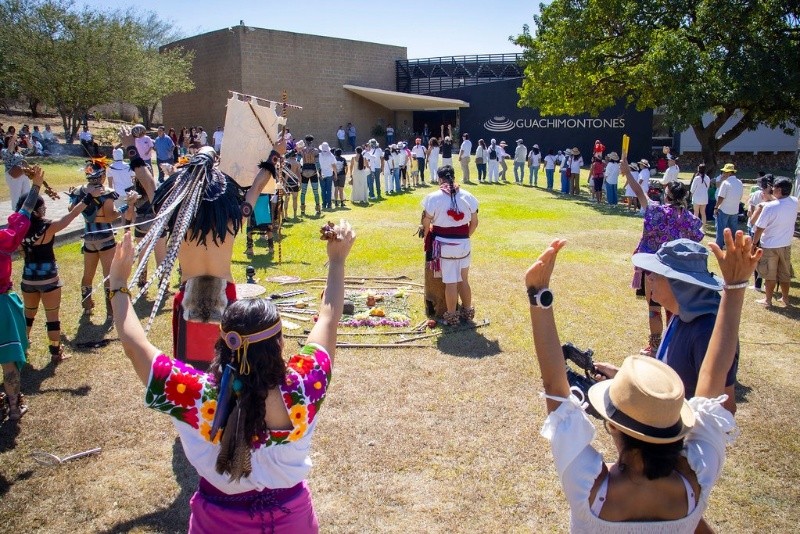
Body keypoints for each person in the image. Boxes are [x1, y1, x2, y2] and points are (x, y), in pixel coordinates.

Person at [109, 220, 355, 533]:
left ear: (222, 341)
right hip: (294, 522)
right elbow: (330, 319)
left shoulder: (194, 393)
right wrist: (336, 260)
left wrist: (117, 283)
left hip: (218, 523)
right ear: (279, 344)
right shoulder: (305, 386)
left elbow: (135, 345)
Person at [527, 228, 758, 532]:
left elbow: (554, 388)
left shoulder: (588, 491)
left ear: (611, 425)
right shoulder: (697, 480)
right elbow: (713, 380)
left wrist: (539, 294)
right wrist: (736, 286)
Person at [632, 239, 739, 414]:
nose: (650, 277)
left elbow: (724, 409)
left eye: (658, 273)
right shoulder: (682, 313)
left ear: (679, 284)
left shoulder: (706, 332)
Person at [622, 158, 704, 356]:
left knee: (654, 308)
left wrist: (627, 172)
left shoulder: (655, 212)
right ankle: (674, 344)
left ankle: (656, 346)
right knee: (674, 309)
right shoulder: (691, 220)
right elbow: (696, 241)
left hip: (654, 269)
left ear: (666, 196)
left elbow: (639, 192)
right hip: (679, 271)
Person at [18, 180, 103, 363]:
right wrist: (89, 197)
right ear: (35, 210)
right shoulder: (48, 227)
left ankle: (22, 350)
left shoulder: (19, 231)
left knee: (28, 316)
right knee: (52, 317)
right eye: (42, 206)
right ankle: (56, 353)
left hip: (28, 279)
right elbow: (71, 216)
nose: (45, 209)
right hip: (49, 280)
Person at [1, 168, 45, 421]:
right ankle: (14, 406)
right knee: (8, 361)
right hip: (1, 305)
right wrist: (36, 186)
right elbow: (23, 216)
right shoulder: (2, 240)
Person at [421, 165, 479, 326]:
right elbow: (474, 222)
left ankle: (452, 316)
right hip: (463, 243)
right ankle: (467, 312)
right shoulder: (468, 196)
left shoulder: (433, 197)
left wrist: (426, 236)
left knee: (451, 282)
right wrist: (465, 236)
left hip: (443, 244)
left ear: (440, 179)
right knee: (464, 280)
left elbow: (426, 223)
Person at [68, 160, 124, 319]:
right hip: (105, 237)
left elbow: (71, 209)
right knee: (108, 275)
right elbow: (109, 216)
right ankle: (111, 311)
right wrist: (125, 208)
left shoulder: (79, 191)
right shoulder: (106, 192)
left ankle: (87, 307)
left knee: (88, 274)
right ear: (102, 175)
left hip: (88, 238)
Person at [752, 177, 798, 307]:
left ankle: (768, 300)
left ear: (778, 189)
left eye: (773, 188)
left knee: (769, 274)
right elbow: (782, 204)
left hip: (770, 244)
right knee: (785, 273)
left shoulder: (770, 207)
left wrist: (754, 244)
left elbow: (759, 228)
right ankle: (785, 299)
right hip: (786, 243)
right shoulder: (794, 202)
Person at [746, 175, 774, 291]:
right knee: (769, 260)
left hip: (758, 231)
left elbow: (752, 218)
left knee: (757, 257)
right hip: (771, 233)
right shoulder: (778, 200)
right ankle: (764, 284)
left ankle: (758, 284)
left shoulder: (759, 197)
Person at [713, 163, 744, 250]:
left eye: (725, 172)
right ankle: (735, 246)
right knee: (733, 229)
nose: (723, 174)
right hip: (734, 209)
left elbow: (721, 197)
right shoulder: (739, 182)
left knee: (720, 229)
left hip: (724, 209)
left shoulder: (725, 183)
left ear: (729, 173)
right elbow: (740, 196)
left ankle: (718, 246)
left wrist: (716, 207)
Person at [3, 126, 32, 210]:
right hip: (13, 175)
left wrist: (27, 141)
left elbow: (30, 149)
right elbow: (9, 153)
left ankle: (25, 211)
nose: (13, 142)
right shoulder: (4, 151)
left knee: (26, 193)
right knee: (16, 194)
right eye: (10, 141)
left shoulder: (19, 151)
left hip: (23, 173)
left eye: (14, 140)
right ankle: (16, 212)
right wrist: (12, 140)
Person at [299, 135, 321, 217]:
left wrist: (300, 170)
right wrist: (320, 172)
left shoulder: (302, 150)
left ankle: (302, 210)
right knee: (315, 191)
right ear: (312, 141)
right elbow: (317, 163)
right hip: (313, 171)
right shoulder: (315, 150)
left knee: (303, 192)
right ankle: (318, 209)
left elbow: (298, 160)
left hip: (304, 171)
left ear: (305, 141)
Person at [318, 142, 337, 210]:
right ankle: (329, 204)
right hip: (329, 174)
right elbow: (334, 166)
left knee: (323, 190)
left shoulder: (319, 155)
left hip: (321, 174)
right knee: (329, 190)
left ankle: (324, 204)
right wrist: (336, 174)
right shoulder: (331, 155)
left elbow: (318, 166)